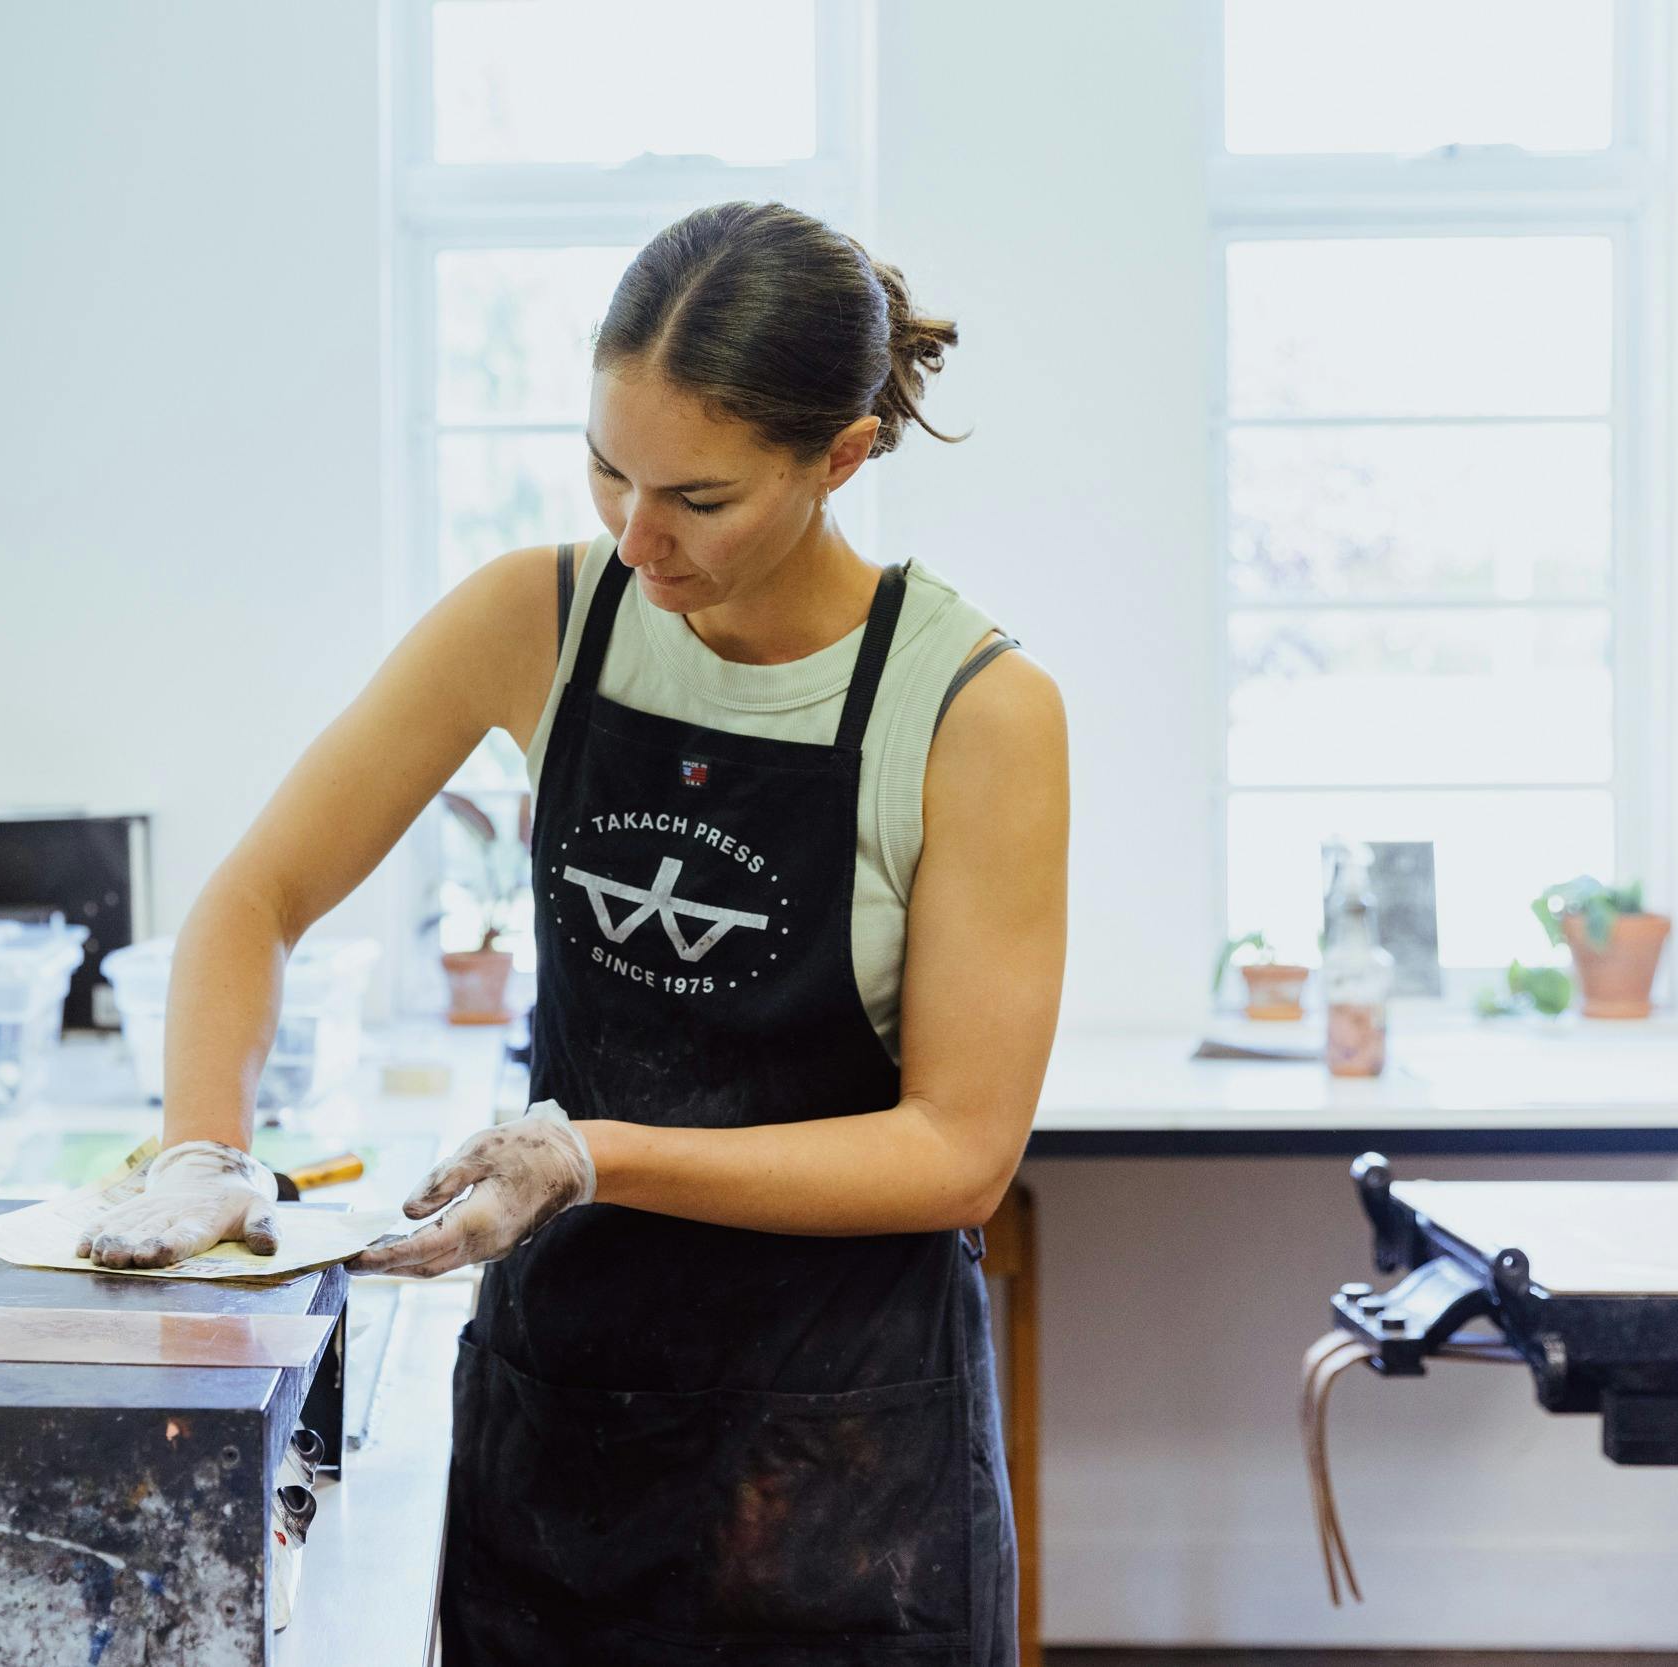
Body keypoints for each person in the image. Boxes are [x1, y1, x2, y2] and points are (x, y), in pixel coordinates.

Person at [76, 199, 1068, 1665]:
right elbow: (253, 900)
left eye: (700, 499)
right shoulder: (538, 619)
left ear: (843, 457)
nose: (637, 534)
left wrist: (592, 1155)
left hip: (849, 1468)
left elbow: (958, 1154)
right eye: (608, 469)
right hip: (566, 1432)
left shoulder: (975, 712)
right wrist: (203, 1151)